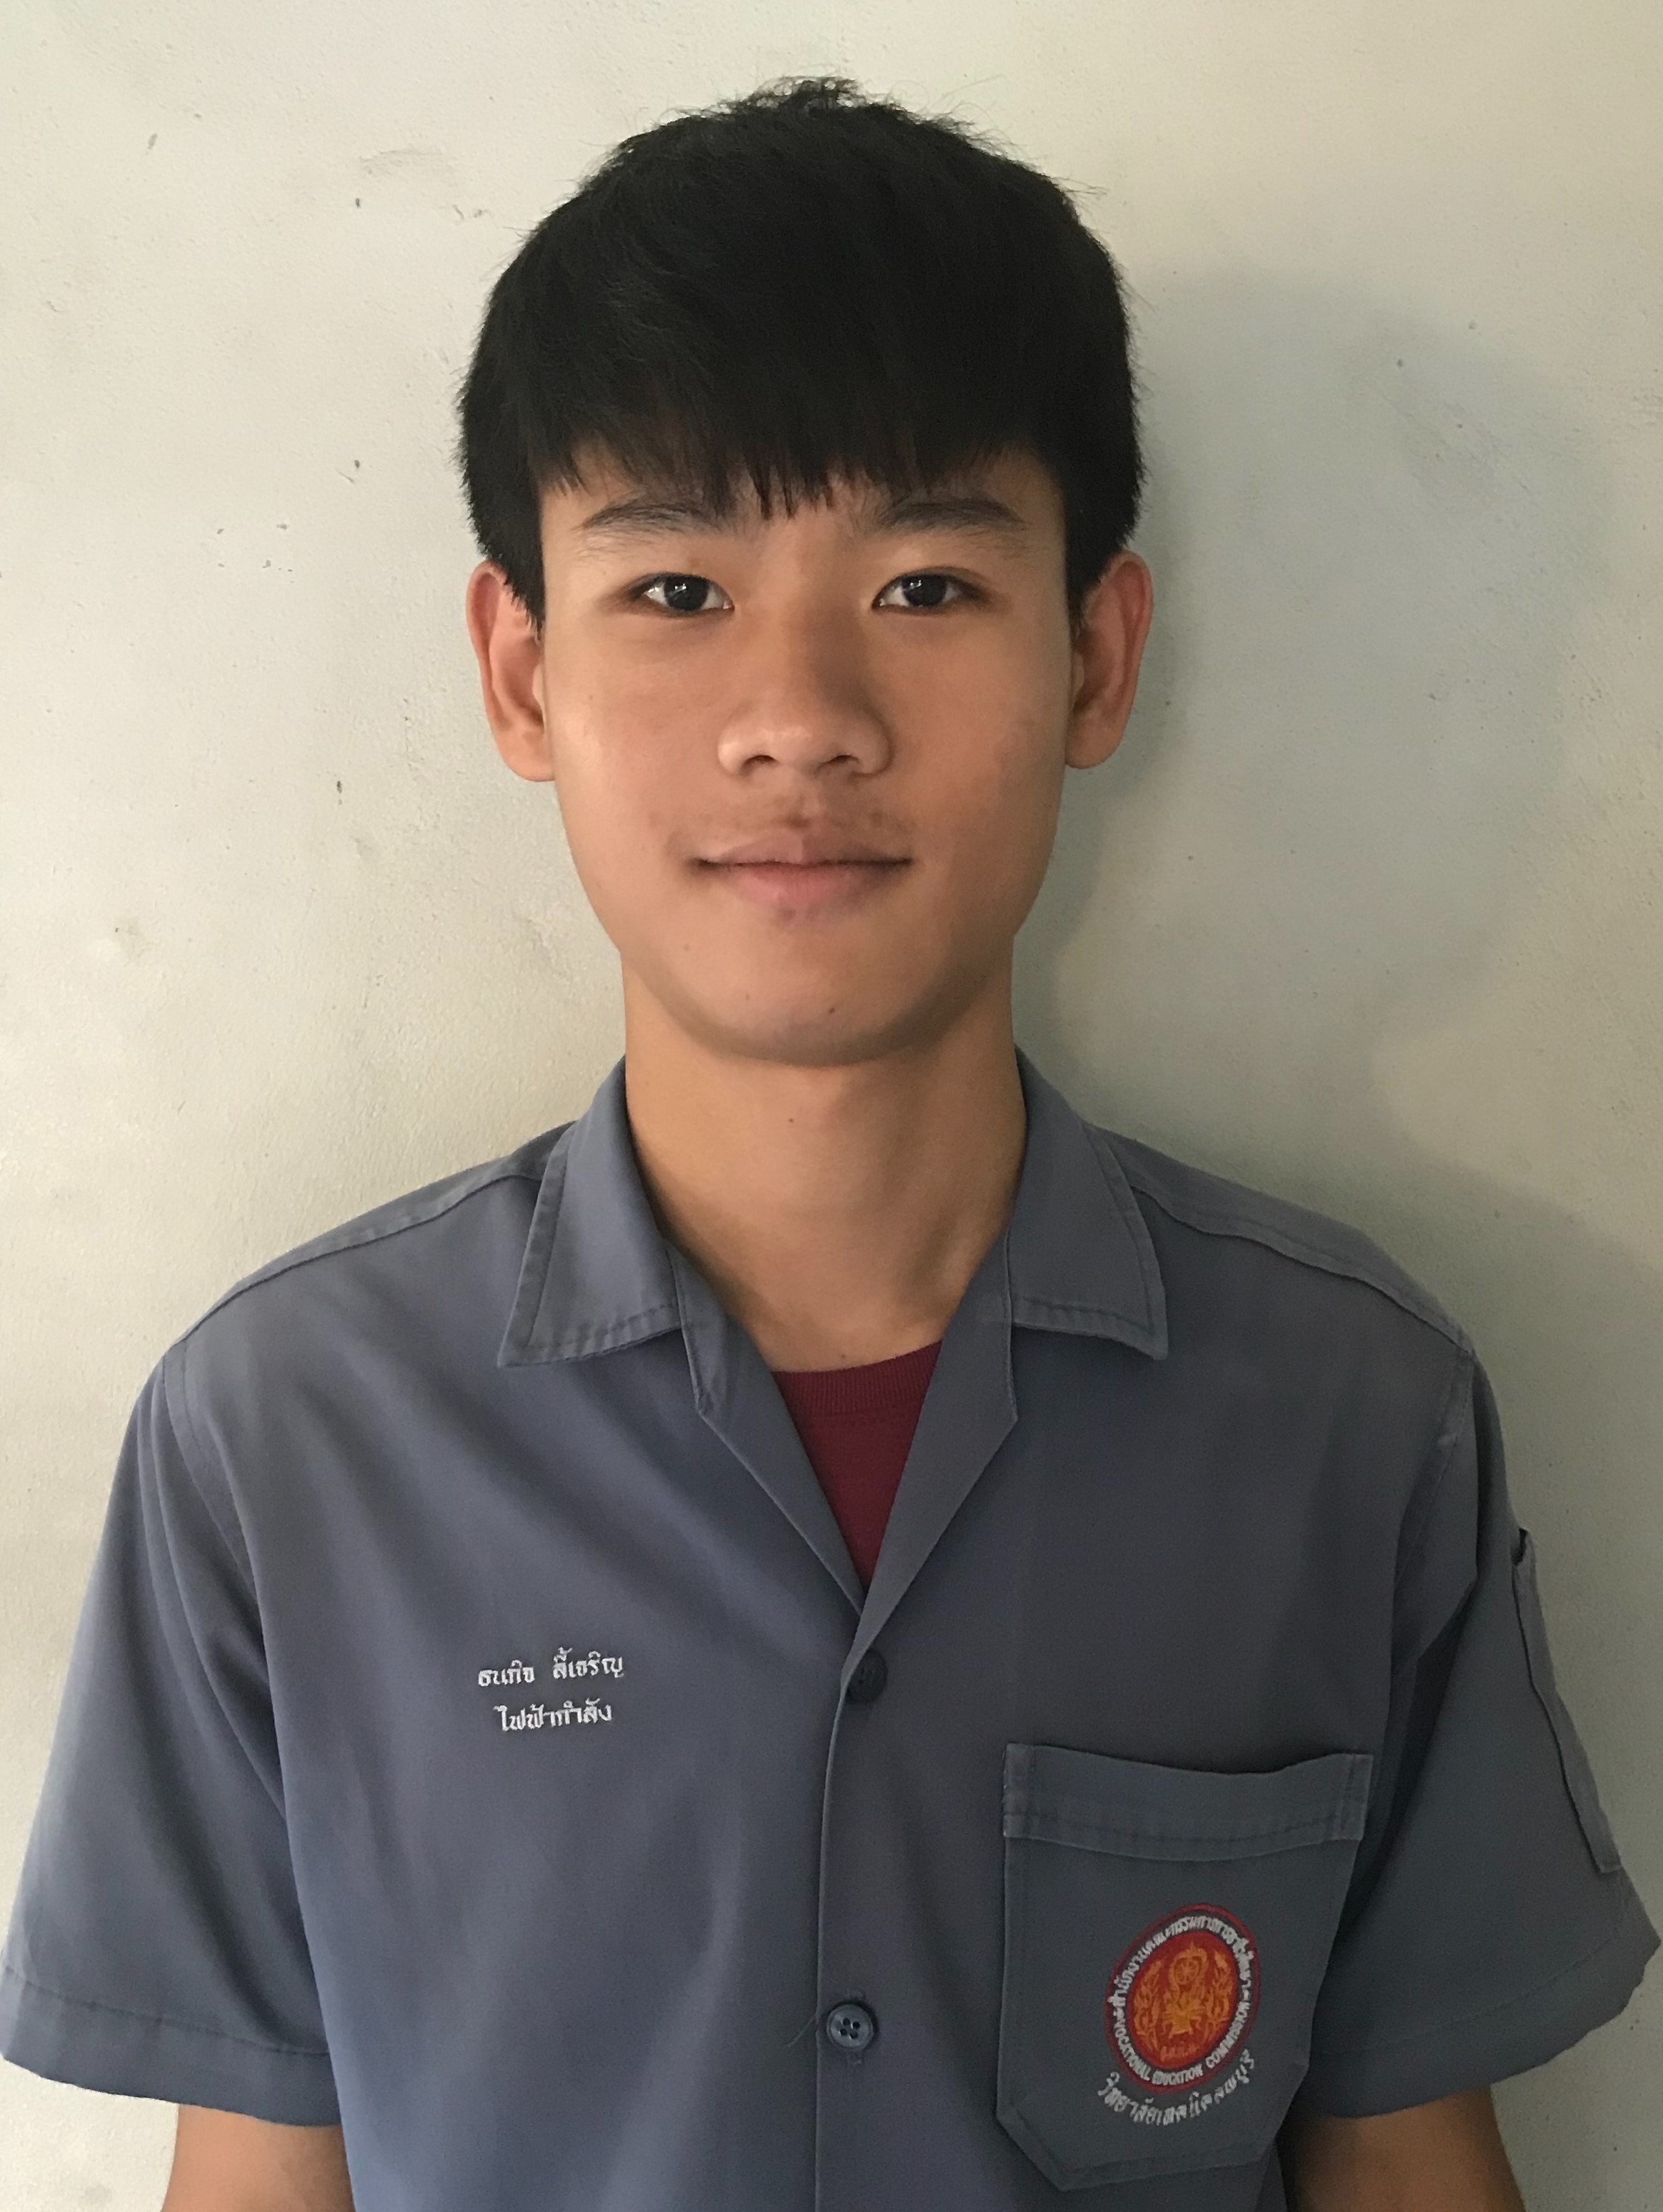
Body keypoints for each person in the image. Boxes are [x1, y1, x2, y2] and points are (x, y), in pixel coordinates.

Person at [1, 74, 1654, 2212]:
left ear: (1095, 656)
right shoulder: (282, 1443)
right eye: (678, 589)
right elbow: (257, 2177)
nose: (799, 716)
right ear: (519, 673)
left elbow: (1409, 2163)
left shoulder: (1353, 1418)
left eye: (927, 584)